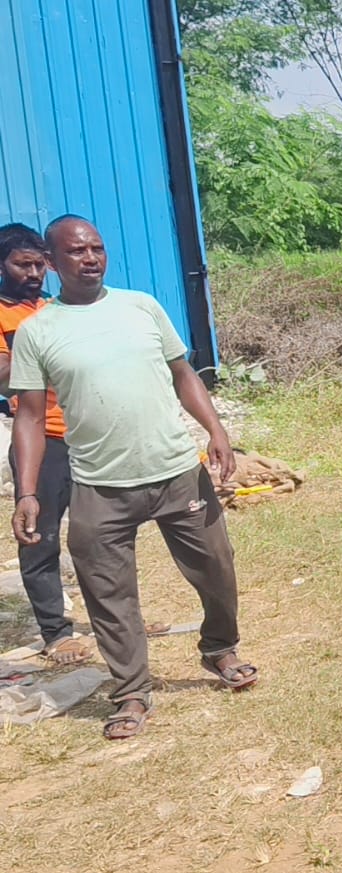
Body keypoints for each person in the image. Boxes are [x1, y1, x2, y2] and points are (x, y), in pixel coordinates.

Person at [9, 215, 257, 740]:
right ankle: (130, 692)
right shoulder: (38, 332)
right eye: (77, 251)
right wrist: (26, 492)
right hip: (98, 484)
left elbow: (183, 373)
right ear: (53, 263)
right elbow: (29, 416)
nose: (91, 258)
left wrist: (214, 428)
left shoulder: (141, 306)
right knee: (109, 594)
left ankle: (219, 647)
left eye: (97, 248)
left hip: (175, 472)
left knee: (217, 569)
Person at [0, 224, 88, 663]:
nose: (34, 273)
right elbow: (2, 376)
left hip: (88, 435)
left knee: (100, 535)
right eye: (22, 264)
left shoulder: (55, 307)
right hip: (42, 438)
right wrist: (41, 347)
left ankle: (111, 616)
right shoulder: (4, 317)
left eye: (39, 264)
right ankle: (56, 632)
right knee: (41, 537)